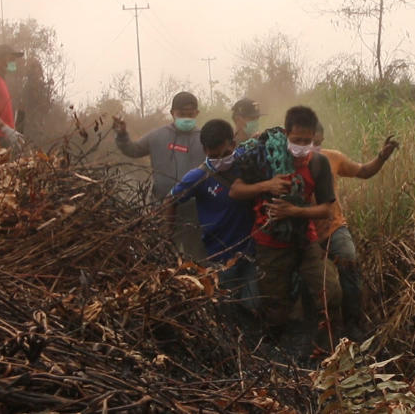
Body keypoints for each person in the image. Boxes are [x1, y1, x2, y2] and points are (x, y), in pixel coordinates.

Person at [229, 106, 342, 352]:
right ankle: (274, 353)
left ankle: (326, 346)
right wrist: (266, 185)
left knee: (329, 290)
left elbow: (326, 210)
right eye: (297, 140)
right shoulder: (265, 157)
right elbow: (236, 190)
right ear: (286, 133)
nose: (302, 146)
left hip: (304, 239)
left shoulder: (318, 163)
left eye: (307, 141)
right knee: (275, 306)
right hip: (269, 242)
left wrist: (295, 212)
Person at [169, 119, 287, 312]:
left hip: (251, 250)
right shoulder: (198, 176)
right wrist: (168, 234)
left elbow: (273, 144)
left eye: (226, 153)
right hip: (219, 256)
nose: (222, 160)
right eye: (214, 156)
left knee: (253, 304)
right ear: (205, 150)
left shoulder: (245, 158)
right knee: (226, 306)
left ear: (233, 144)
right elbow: (171, 199)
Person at [313, 123, 399, 340]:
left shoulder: (332, 158)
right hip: (304, 233)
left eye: (318, 142)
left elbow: (363, 171)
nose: (314, 147)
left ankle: (353, 324)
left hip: (334, 226)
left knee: (348, 260)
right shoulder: (286, 163)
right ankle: (317, 331)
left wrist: (382, 156)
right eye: (309, 142)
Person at [113, 91, 206, 259]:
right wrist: (122, 135)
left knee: (197, 255)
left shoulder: (204, 139)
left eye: (190, 114)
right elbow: (133, 150)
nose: (186, 118)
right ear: (172, 113)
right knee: (164, 253)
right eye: (181, 114)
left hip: (195, 209)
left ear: (197, 114)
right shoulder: (157, 136)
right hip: (162, 206)